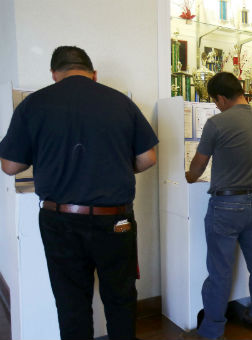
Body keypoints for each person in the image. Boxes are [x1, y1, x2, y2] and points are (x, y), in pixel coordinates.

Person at [0, 46, 158, 340]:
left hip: (59, 220)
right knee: (120, 297)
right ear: (93, 73)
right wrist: (115, 167)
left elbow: (9, 165)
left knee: (71, 301)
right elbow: (148, 157)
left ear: (54, 74)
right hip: (116, 220)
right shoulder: (120, 101)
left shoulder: (34, 104)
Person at [185, 72, 252, 340]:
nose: (216, 106)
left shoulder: (217, 123)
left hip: (226, 205)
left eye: (216, 101)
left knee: (220, 269)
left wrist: (190, 176)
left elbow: (199, 165)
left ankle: (212, 330)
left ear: (222, 97)